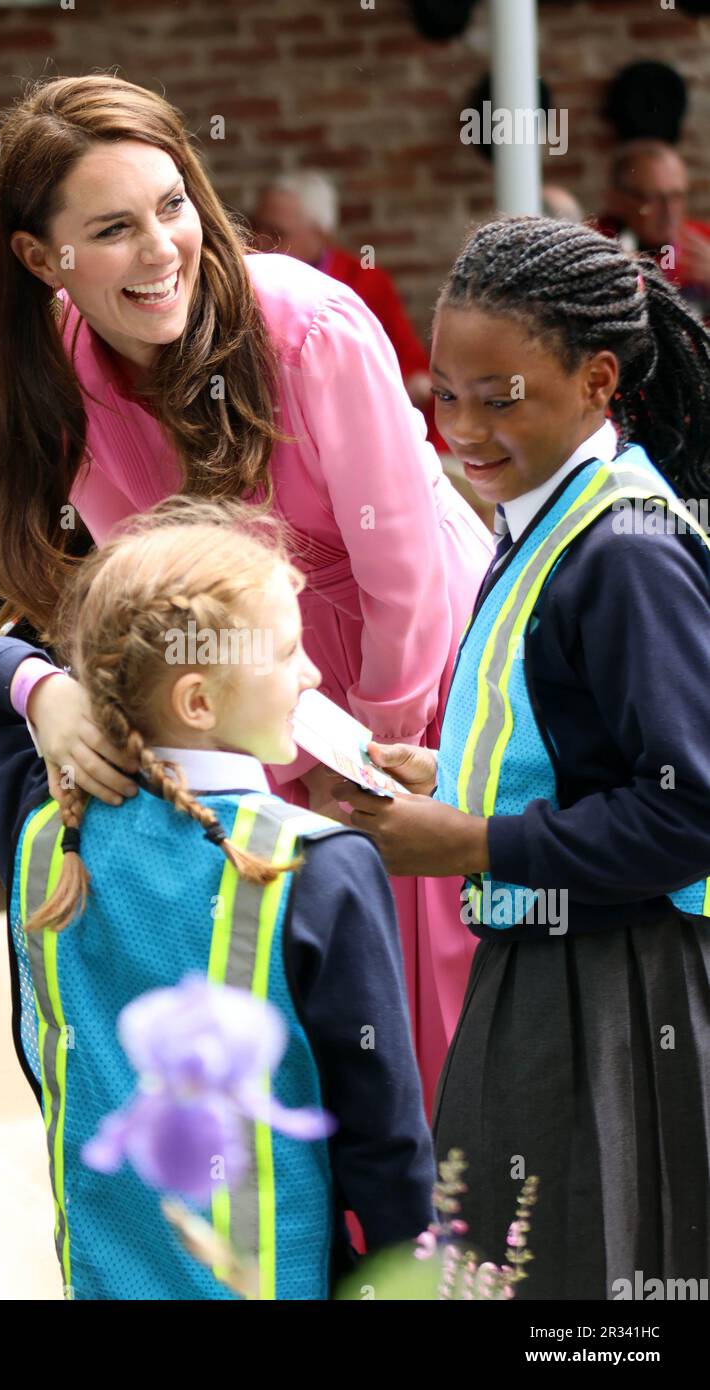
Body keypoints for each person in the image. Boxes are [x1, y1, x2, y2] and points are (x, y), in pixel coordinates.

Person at [0, 74, 493, 1110]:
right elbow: (157, 607)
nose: (162, 249)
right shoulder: (60, 368)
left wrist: (358, 758)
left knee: (423, 1017)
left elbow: (407, 577)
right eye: (112, 227)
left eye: (173, 205)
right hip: (245, 702)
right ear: (39, 257)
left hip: (408, 681)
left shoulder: (311, 327)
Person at [332, 216, 710, 1299]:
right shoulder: (539, 522)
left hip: (618, 989)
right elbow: (572, 748)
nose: (462, 426)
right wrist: (443, 782)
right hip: (544, 963)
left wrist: (475, 837)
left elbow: (688, 808)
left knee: (584, 1279)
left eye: (500, 395)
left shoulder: (624, 549)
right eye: (443, 393)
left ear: (597, 381)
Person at [0, 500, 435, 1300]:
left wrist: (40, 691)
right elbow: (387, 1146)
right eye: (288, 651)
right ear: (199, 703)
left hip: (96, 1278)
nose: (311, 675)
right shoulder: (319, 865)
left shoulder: (45, 820)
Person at [251, 171, 443, 446]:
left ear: (320, 235)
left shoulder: (365, 282)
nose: (259, 241)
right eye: (256, 226)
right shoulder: (247, 284)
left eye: (276, 233)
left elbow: (412, 369)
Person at [597, 139, 710, 323]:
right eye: (653, 198)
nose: (669, 211)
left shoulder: (703, 241)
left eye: (677, 196)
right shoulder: (596, 246)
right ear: (616, 199)